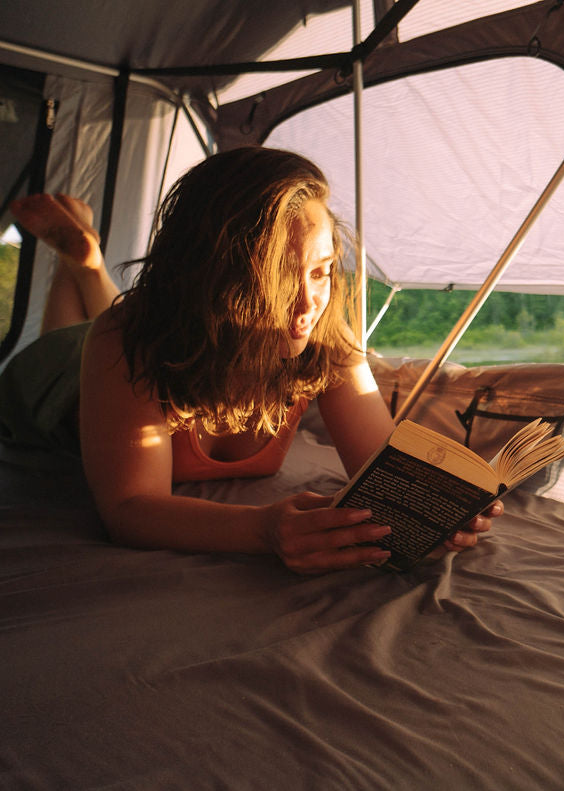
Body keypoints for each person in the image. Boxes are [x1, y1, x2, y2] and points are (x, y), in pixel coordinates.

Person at [3, 146, 500, 573]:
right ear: (213, 274)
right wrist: (263, 529)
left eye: (322, 272)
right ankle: (84, 262)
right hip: (58, 378)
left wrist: (436, 506)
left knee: (115, 320)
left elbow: (381, 462)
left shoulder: (324, 337)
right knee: (88, 332)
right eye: (280, 280)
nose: (307, 304)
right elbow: (129, 507)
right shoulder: (126, 342)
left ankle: (85, 260)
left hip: (154, 331)